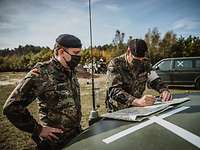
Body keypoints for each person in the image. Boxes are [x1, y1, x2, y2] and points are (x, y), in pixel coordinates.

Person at [3, 34, 82, 149]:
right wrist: (38, 130)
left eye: (80, 53)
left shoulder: (70, 71)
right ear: (61, 52)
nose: (79, 57)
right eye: (75, 53)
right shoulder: (41, 73)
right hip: (55, 142)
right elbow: (11, 107)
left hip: (76, 136)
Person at [106, 39, 172, 112]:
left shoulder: (145, 63)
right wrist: (137, 101)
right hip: (118, 110)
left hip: (137, 109)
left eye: (142, 59)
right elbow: (113, 90)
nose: (139, 63)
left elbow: (154, 79)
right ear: (128, 52)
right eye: (136, 60)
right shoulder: (115, 64)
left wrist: (163, 90)